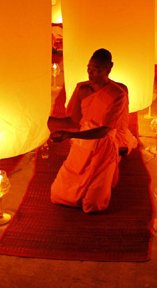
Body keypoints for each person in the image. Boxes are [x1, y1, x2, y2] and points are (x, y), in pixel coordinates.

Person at [49, 49, 137, 213]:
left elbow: (103, 131)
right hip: (82, 146)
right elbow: (73, 121)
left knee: (93, 204)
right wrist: (44, 120)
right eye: (88, 68)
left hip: (103, 147)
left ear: (108, 68)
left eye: (95, 69)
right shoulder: (83, 90)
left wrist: (69, 135)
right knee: (58, 195)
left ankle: (114, 160)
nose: (90, 72)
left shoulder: (117, 94)